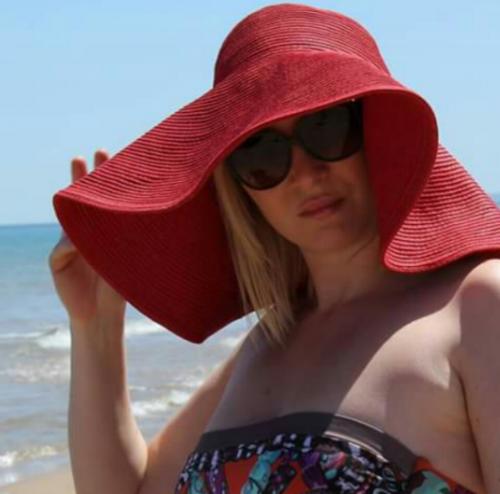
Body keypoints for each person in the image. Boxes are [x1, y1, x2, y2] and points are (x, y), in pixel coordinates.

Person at [48, 4, 500, 494]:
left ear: (376, 130)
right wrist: (95, 328)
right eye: (262, 153)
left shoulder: (479, 307)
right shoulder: (267, 343)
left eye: (326, 127)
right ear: (240, 189)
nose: (305, 173)